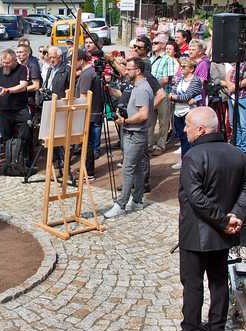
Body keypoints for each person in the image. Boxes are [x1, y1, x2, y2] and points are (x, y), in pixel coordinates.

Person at [161, 106, 246, 331]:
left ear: (201, 129)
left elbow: (197, 198)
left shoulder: (193, 156)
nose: (186, 130)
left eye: (189, 126)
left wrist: (226, 220)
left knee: (192, 283)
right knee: (219, 280)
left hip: (198, 232)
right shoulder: (238, 154)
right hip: (224, 233)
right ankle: (217, 329)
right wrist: (236, 216)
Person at [103, 58, 154, 218]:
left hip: (135, 133)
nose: (126, 71)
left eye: (129, 69)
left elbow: (143, 114)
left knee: (128, 168)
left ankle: (121, 204)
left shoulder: (141, 89)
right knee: (138, 168)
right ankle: (137, 200)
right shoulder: (139, 86)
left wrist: (125, 121)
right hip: (134, 132)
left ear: (138, 70)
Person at [0, 49, 30, 161]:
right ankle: (10, 160)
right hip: (4, 110)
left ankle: (24, 161)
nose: (5, 65)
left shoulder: (22, 69)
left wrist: (8, 90)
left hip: (20, 109)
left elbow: (23, 86)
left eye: (8, 63)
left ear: (14, 60)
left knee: (24, 137)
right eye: (3, 62)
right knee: (6, 137)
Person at [75, 48, 103, 180]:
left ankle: (88, 171)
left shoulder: (87, 74)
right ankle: (87, 169)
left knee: (87, 144)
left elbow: (84, 97)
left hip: (89, 113)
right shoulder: (90, 72)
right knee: (88, 143)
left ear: (80, 60)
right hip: (93, 112)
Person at [169, 59, 203, 166]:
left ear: (192, 69)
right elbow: (171, 94)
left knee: (190, 138)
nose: (181, 69)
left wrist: (175, 97)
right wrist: (175, 97)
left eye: (184, 67)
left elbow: (186, 96)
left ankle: (190, 161)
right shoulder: (180, 79)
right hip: (178, 111)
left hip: (189, 112)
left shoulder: (195, 80)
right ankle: (185, 160)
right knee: (182, 138)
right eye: (181, 66)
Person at [149, 34, 177, 156]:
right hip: (151, 94)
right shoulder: (150, 59)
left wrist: (150, 83)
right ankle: (149, 145)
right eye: (153, 42)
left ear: (163, 45)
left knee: (163, 122)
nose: (153, 45)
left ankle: (160, 145)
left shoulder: (168, 59)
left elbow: (166, 79)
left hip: (163, 94)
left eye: (156, 43)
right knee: (150, 121)